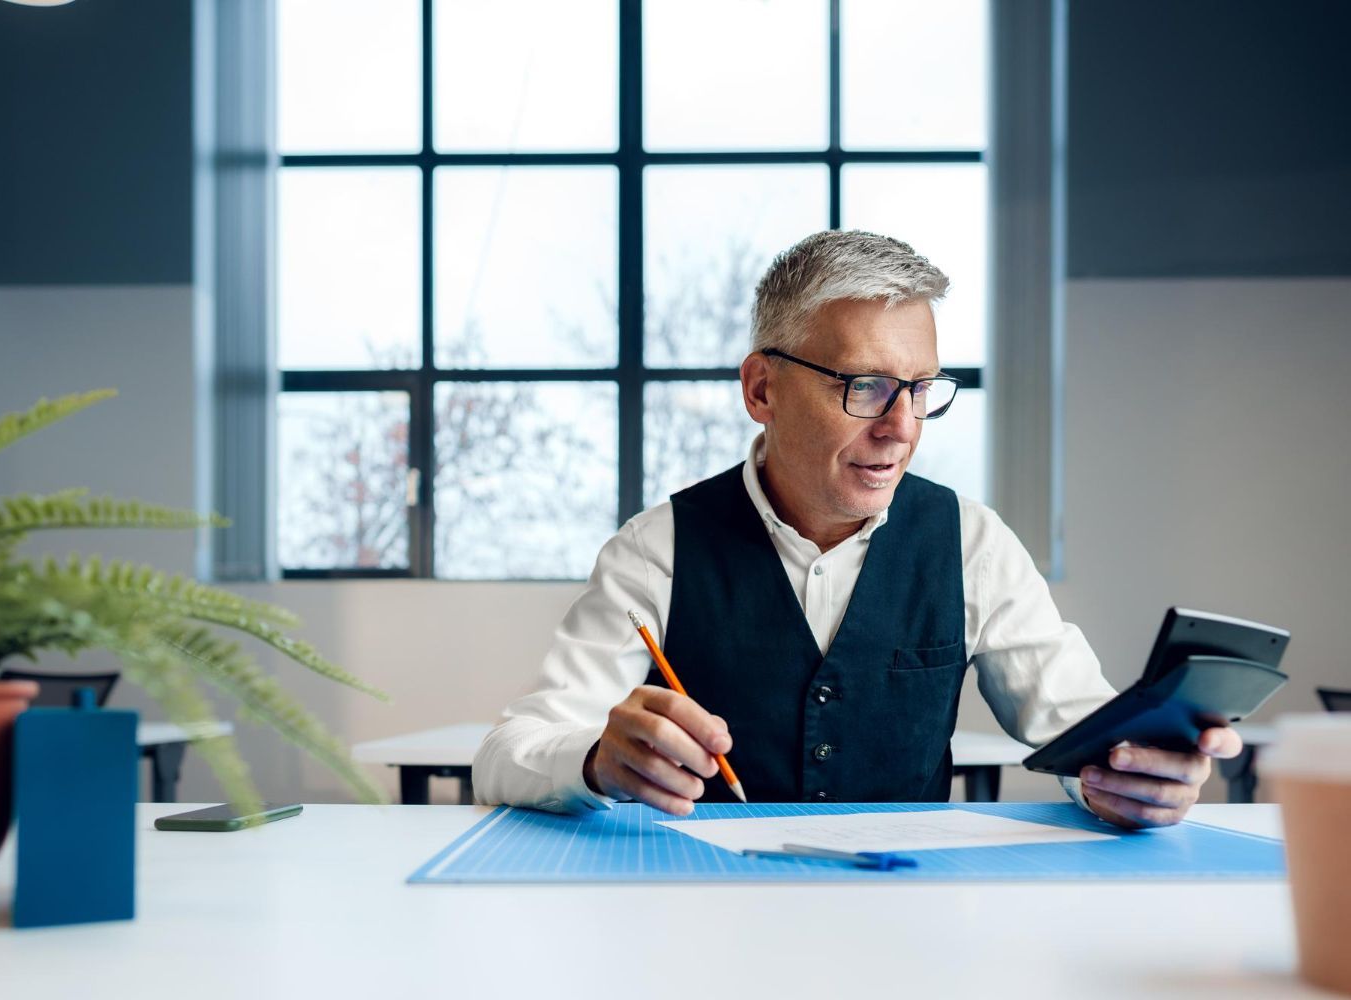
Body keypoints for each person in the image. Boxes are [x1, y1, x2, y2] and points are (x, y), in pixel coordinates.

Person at [472, 229, 1240, 828]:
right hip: (702, 917)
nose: (901, 429)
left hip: (910, 926)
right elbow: (507, 756)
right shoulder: (658, 547)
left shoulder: (971, 543)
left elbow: (1083, 731)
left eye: (922, 389)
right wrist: (596, 763)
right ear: (763, 388)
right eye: (866, 387)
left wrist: (1135, 776)